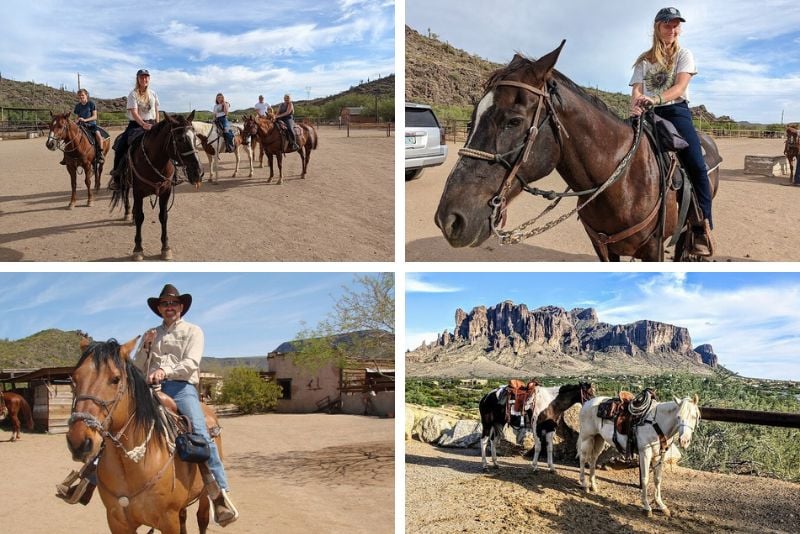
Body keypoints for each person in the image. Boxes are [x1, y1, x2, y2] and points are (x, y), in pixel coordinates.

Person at [134, 284, 239, 527]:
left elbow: (191, 363)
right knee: (118, 424)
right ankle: (89, 478)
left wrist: (164, 370)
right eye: (164, 304)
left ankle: (218, 493)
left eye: (173, 304)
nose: (169, 307)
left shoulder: (193, 331)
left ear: (181, 307)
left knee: (201, 434)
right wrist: (145, 347)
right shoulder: (150, 333)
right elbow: (138, 367)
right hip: (149, 389)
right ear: (158, 309)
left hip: (180, 388)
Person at [629, 7, 714, 256]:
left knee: (697, 165)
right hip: (646, 113)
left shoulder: (684, 55)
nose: (673, 30)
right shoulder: (644, 60)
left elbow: (679, 87)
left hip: (675, 112)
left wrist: (655, 98)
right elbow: (636, 90)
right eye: (668, 25)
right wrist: (636, 105)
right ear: (658, 27)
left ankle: (701, 226)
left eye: (677, 25)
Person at [109, 69, 160, 190]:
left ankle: (174, 173)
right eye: (142, 77)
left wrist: (157, 124)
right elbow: (134, 113)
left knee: (168, 140)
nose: (144, 79)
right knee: (120, 146)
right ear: (138, 79)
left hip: (152, 123)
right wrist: (143, 124)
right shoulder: (133, 94)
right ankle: (117, 178)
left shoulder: (153, 93)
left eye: (146, 77)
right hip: (136, 125)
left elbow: (157, 110)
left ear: (149, 79)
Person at [65, 88, 104, 165]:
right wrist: (76, 120)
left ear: (86, 95)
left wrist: (85, 120)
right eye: (79, 96)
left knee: (98, 136)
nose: (81, 97)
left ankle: (101, 154)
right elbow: (77, 116)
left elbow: (95, 117)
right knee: (69, 136)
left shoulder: (91, 104)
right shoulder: (77, 106)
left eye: (82, 95)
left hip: (91, 124)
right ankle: (66, 156)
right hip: (80, 125)